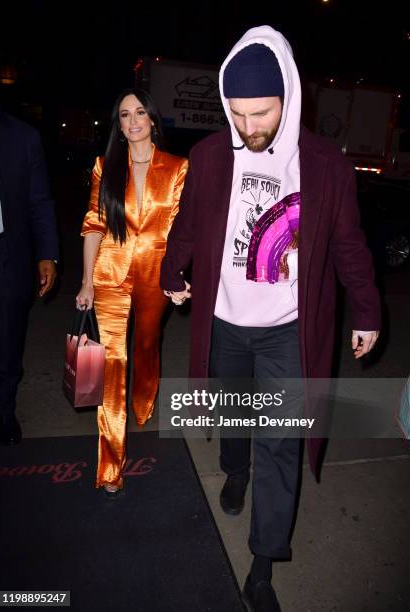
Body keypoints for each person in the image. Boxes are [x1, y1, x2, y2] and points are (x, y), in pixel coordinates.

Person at [160, 26, 380, 612]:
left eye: (261, 113)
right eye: (237, 114)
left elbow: (350, 246)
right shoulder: (210, 156)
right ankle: (234, 466)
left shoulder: (326, 166)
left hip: (289, 329)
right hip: (226, 320)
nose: (249, 127)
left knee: (281, 443)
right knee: (233, 417)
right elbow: (188, 222)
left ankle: (262, 565)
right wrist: (170, 269)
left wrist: (367, 309)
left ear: (289, 96)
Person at [76, 88, 188, 497]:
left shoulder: (177, 167)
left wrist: (177, 276)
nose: (133, 120)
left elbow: (182, 231)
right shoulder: (106, 166)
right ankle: (110, 465)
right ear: (119, 126)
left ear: (152, 119)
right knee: (112, 365)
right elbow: (93, 225)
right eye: (124, 115)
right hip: (110, 273)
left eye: (140, 112)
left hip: (156, 274)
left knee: (146, 344)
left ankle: (145, 398)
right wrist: (87, 281)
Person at [0, 56, 58, 446]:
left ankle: (3, 410)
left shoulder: (23, 137)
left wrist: (47, 253)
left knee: (6, 340)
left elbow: (40, 201)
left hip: (7, 254)